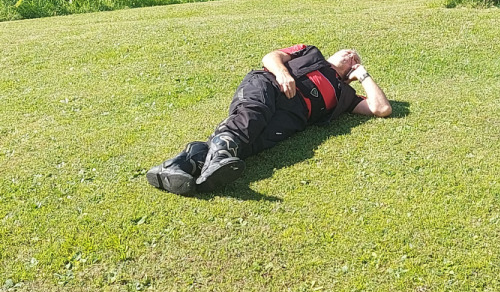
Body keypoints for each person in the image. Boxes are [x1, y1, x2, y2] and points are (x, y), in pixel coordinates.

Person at [146, 44, 392, 196]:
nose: (350, 54)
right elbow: (270, 57)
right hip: (269, 85)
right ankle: (213, 160)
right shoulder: (310, 52)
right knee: (251, 115)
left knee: (251, 142)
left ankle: (181, 165)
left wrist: (363, 75)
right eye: (347, 51)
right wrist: (283, 74)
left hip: (291, 118)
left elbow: (381, 109)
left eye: (355, 58)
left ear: (351, 73)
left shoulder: (344, 96)